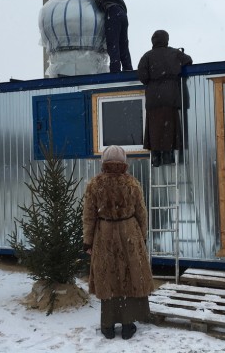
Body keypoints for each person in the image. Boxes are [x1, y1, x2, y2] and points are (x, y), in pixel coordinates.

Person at [82, 145, 154, 340]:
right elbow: (141, 212)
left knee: (108, 278)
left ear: (103, 161)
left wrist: (88, 241)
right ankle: (128, 324)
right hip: (130, 232)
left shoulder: (95, 184)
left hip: (104, 233)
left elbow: (89, 216)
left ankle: (107, 325)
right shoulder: (132, 184)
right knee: (129, 276)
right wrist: (142, 236)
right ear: (123, 162)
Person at [137, 30, 193, 167]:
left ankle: (156, 158)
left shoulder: (147, 56)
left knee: (155, 130)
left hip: (153, 99)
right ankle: (168, 158)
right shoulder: (174, 53)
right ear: (166, 40)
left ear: (153, 41)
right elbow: (189, 60)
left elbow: (143, 77)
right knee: (169, 130)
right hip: (170, 97)